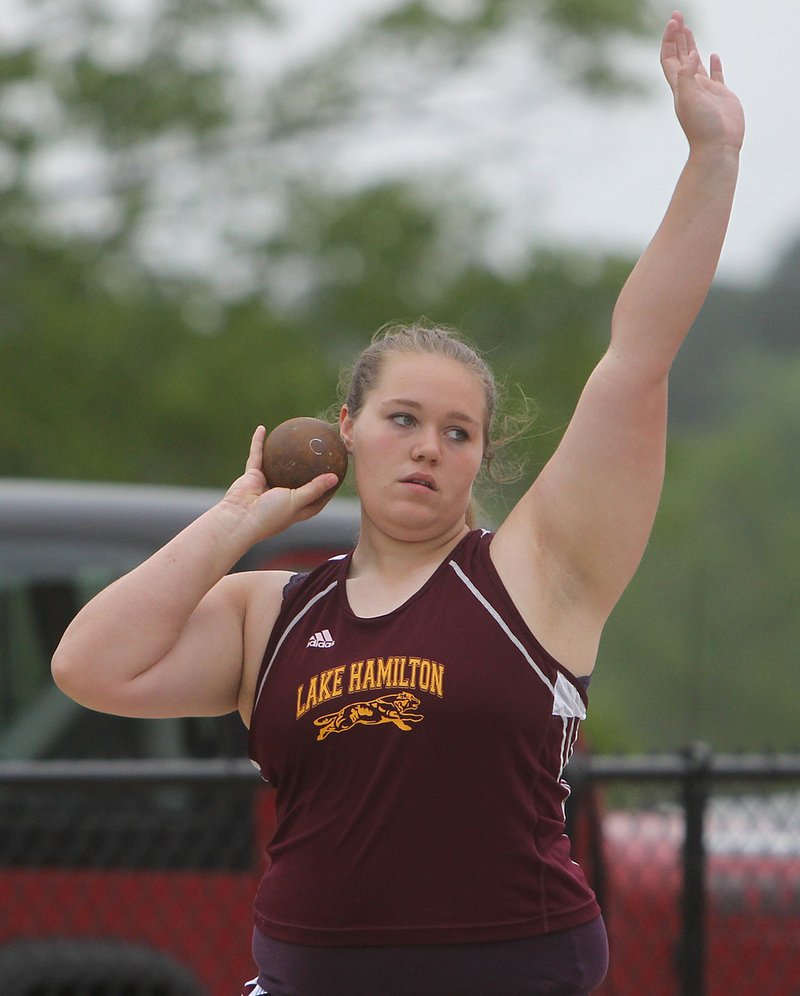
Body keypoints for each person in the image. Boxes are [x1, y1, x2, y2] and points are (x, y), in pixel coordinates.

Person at [52, 11, 744, 996]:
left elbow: (636, 359)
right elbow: (89, 666)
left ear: (478, 459)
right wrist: (237, 523)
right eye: (402, 419)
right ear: (345, 429)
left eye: (456, 433)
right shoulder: (274, 611)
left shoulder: (536, 575)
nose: (427, 446)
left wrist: (710, 154)